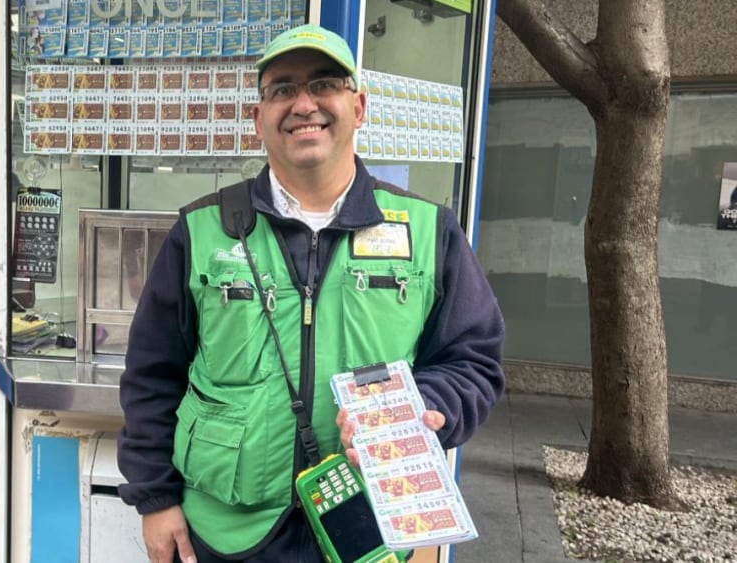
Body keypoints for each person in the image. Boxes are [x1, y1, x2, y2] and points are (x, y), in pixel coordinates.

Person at [117, 24, 505, 563]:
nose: (304, 104)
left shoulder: (428, 230)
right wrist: (154, 499)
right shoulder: (201, 231)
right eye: (281, 89)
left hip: (374, 528)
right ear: (258, 118)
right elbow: (152, 373)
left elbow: (473, 359)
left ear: (359, 106)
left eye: (324, 84)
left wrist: (431, 406)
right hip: (231, 532)